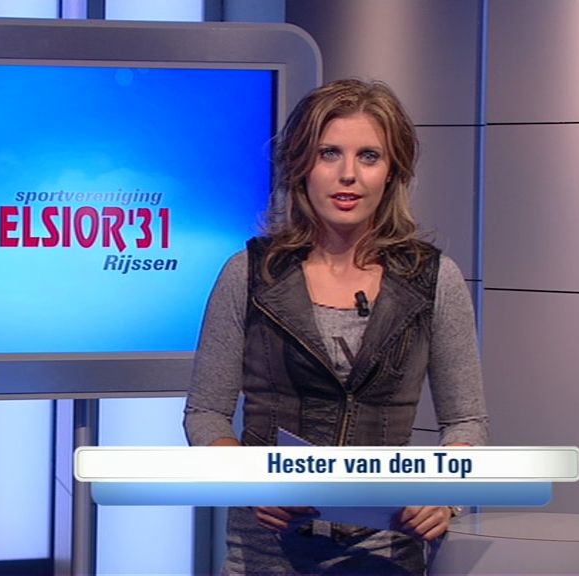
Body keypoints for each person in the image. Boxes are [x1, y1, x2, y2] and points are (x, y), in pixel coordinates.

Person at [183, 78, 489, 575]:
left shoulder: (434, 280)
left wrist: (445, 493)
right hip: (266, 553)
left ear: (392, 172)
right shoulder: (249, 273)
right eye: (329, 154)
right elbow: (206, 414)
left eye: (369, 156)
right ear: (301, 165)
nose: (348, 174)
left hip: (388, 552)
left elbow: (467, 422)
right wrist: (252, 482)